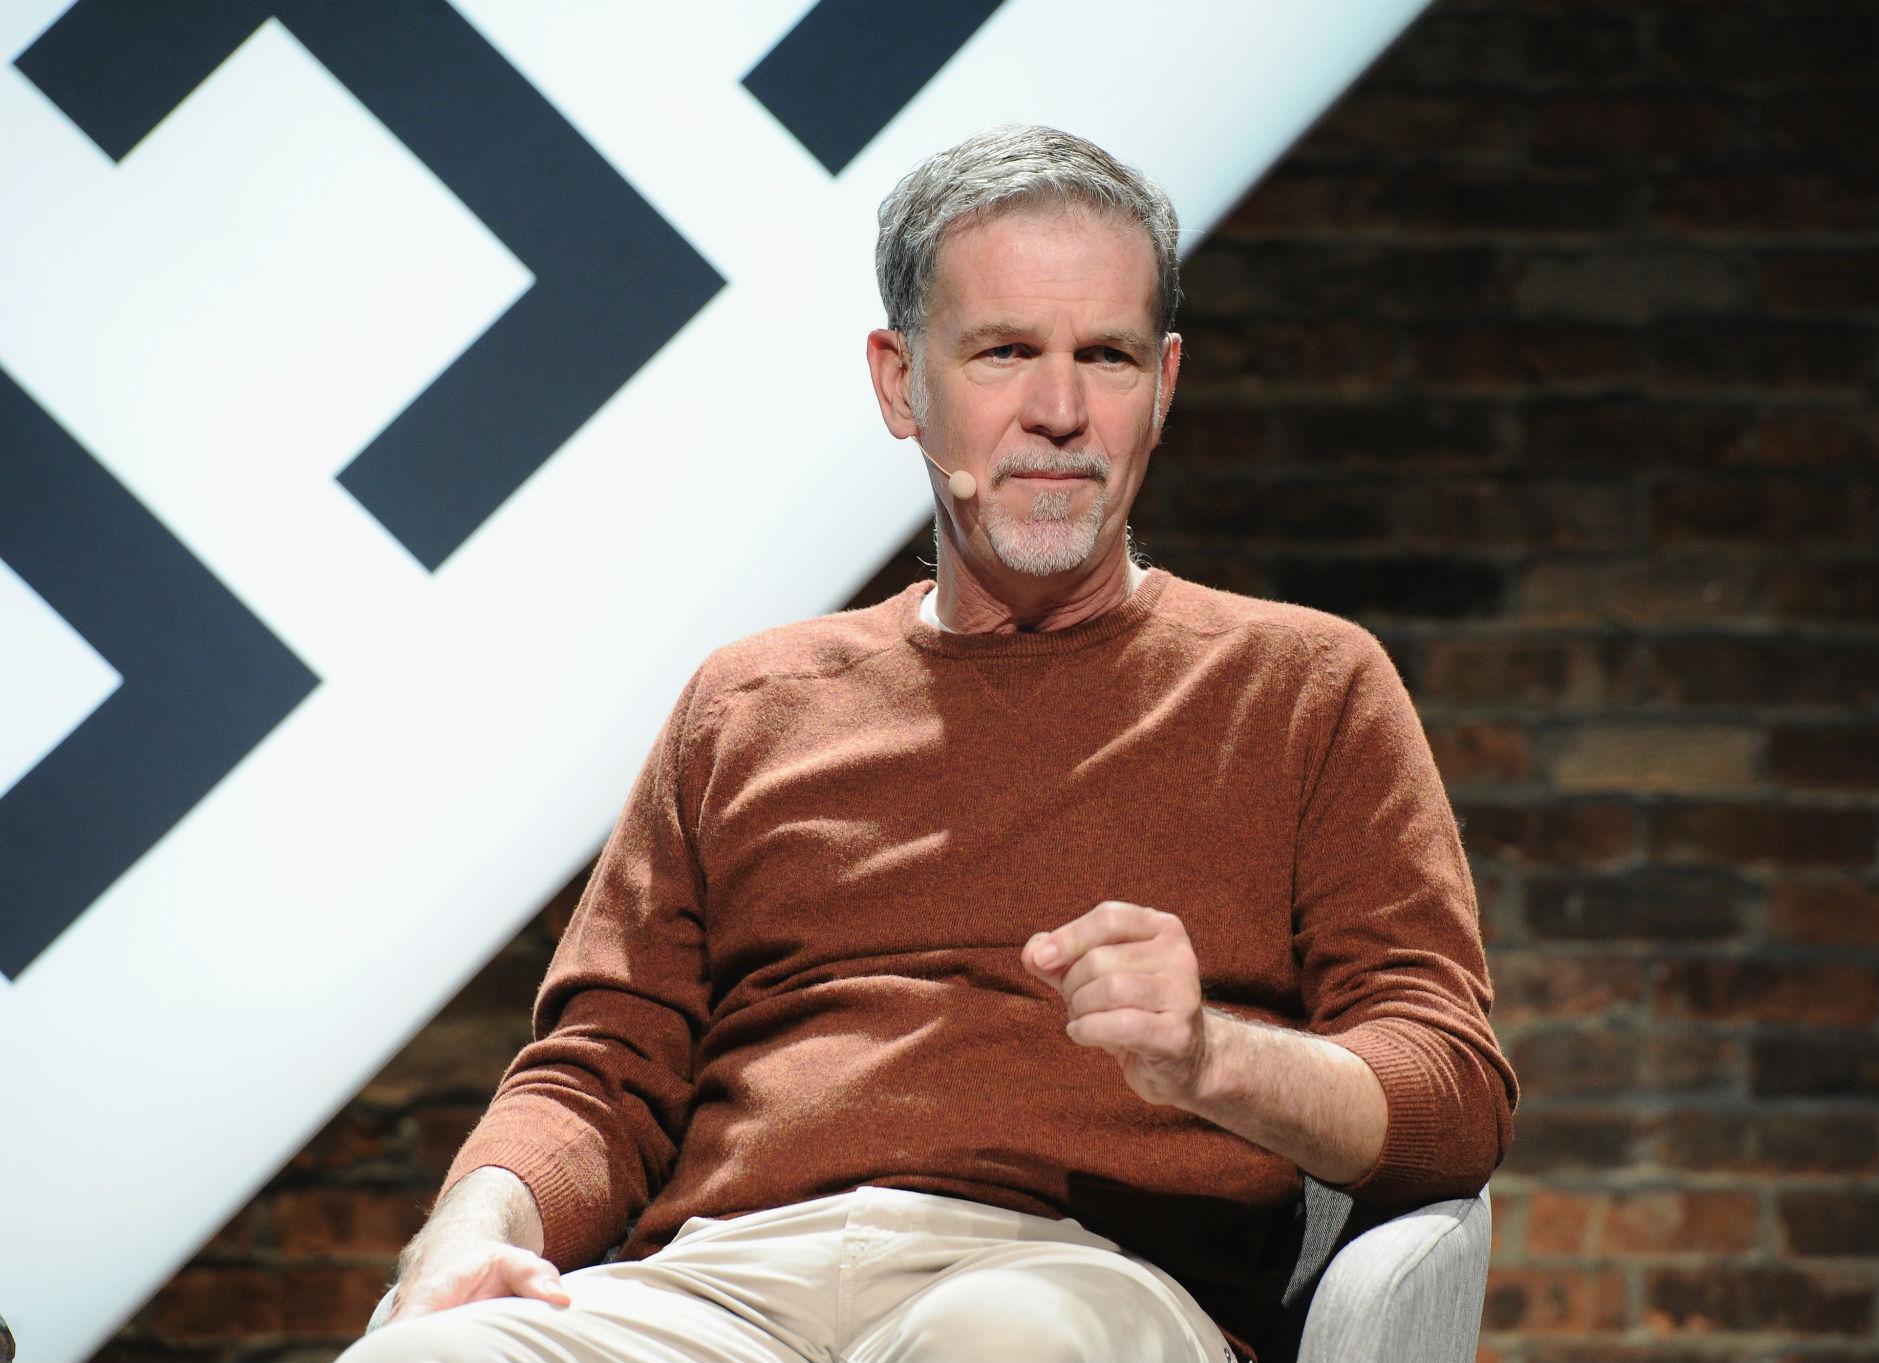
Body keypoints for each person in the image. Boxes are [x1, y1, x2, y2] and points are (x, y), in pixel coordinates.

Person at [341, 125, 1514, 1363]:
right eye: (1005, 351)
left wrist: (1208, 1055)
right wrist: (462, 1241)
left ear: (1162, 387)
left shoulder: (1302, 687)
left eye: (1105, 357)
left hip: (1068, 1282)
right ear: (901, 383)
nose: (1059, 411)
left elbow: (1451, 1097)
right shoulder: (745, 704)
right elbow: (598, 1073)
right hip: (722, 1289)